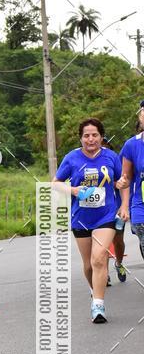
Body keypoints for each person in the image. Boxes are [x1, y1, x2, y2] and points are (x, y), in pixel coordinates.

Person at [53, 118, 129, 324]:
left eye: (94, 135)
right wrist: (73, 190)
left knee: (99, 257)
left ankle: (98, 304)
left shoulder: (111, 156)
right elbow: (56, 183)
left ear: (101, 137)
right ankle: (94, 287)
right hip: (81, 218)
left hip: (105, 216)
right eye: (86, 135)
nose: (90, 139)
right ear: (81, 138)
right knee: (88, 265)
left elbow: (121, 182)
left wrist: (123, 201)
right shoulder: (72, 158)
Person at [118, 104, 144, 262]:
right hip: (140, 205)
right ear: (141, 119)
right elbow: (126, 177)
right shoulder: (131, 145)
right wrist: (124, 206)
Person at [102, 137, 127, 283]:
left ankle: (119, 263)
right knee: (103, 244)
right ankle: (103, 273)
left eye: (105, 147)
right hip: (100, 211)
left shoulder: (114, 162)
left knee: (118, 241)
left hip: (116, 208)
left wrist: (124, 206)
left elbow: (125, 184)